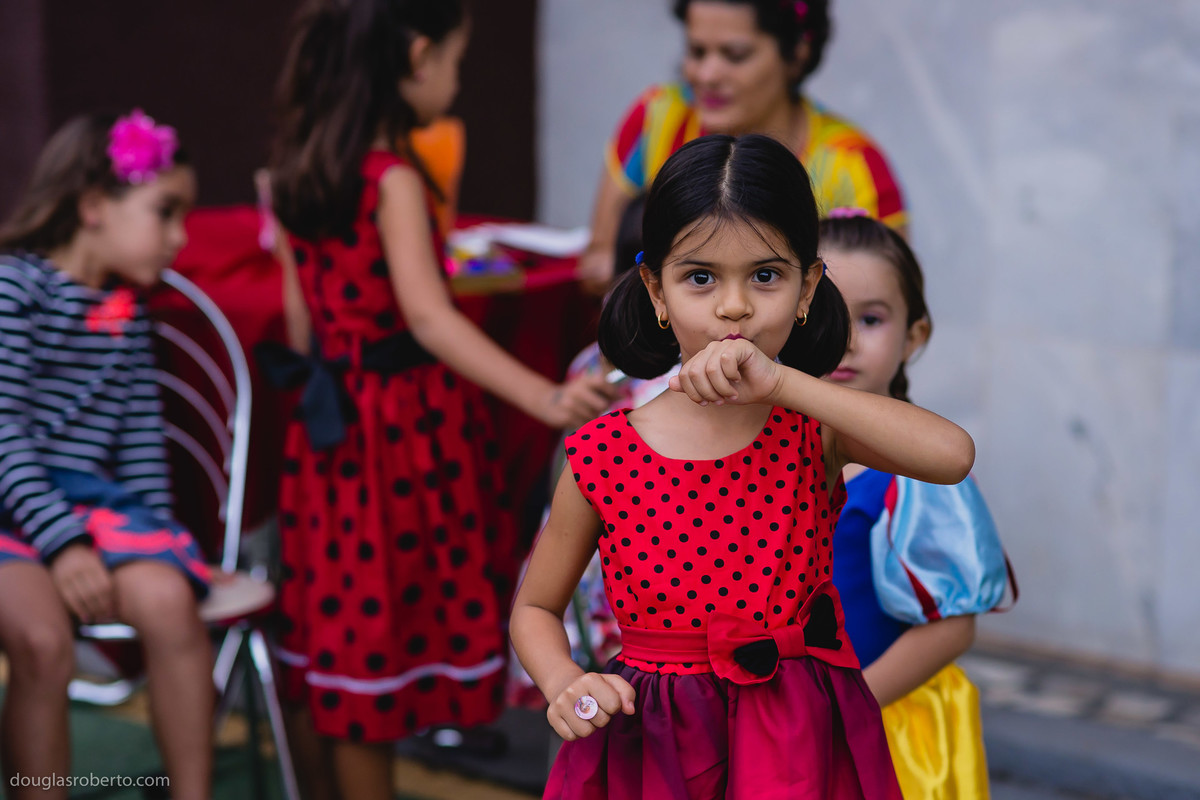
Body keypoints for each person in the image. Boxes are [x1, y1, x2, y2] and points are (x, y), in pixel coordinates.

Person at [511, 133, 975, 799]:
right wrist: (565, 681)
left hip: (799, 742)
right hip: (659, 748)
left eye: (766, 275)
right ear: (656, 290)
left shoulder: (815, 427)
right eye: (701, 278)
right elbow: (534, 605)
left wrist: (784, 384)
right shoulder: (604, 452)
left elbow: (951, 456)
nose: (734, 306)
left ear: (809, 287)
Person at [265, 1, 617, 798]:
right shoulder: (390, 179)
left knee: (336, 639)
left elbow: (299, 321)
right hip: (397, 434)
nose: (458, 78)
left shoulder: (294, 171)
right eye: (457, 60)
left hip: (325, 437)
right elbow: (427, 317)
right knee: (379, 647)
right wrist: (545, 394)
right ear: (417, 56)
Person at [0, 111, 213, 800]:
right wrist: (62, 544)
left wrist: (153, 538)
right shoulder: (14, 288)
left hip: (92, 515)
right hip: (13, 512)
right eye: (165, 213)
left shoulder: (125, 312)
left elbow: (141, 446)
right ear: (93, 207)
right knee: (41, 643)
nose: (180, 238)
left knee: (170, 599)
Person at [821, 209, 1013, 798]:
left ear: (914, 336)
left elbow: (951, 629)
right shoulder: (763, 452)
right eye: (825, 315)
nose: (846, 339)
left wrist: (840, 715)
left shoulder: (918, 470)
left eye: (871, 318)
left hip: (880, 725)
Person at [578, 0, 907, 293]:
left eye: (734, 55)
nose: (707, 75)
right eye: (696, 52)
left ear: (797, 53)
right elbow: (602, 256)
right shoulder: (656, 118)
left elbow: (882, 307)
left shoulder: (853, 165)